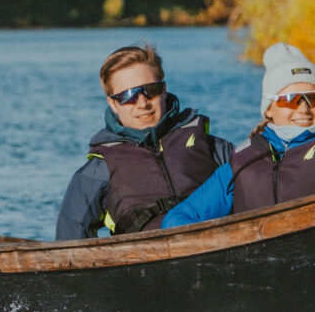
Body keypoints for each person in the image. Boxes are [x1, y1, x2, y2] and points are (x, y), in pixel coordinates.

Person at [158, 42, 315, 229]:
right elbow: (178, 218)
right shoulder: (244, 160)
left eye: (314, 98)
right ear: (269, 109)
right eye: (290, 100)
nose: (303, 109)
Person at [54, 43, 234, 240]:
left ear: (164, 89)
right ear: (113, 104)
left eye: (151, 90)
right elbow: (70, 239)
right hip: (147, 260)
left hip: (218, 242)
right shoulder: (100, 168)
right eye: (127, 96)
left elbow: (254, 179)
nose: (142, 103)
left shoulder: (208, 145)